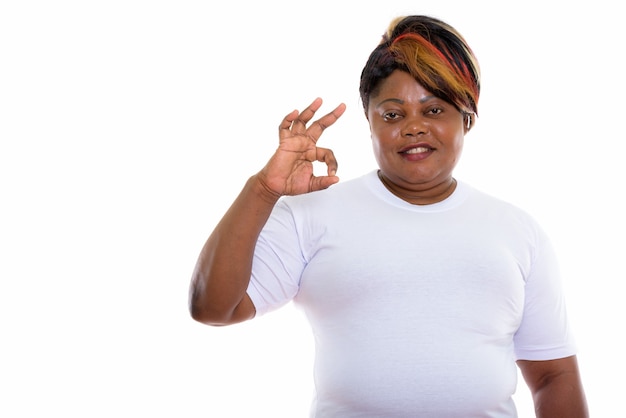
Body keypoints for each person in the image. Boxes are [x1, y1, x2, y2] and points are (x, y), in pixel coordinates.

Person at [189, 15, 588, 417]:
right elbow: (212, 308)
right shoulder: (312, 215)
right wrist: (263, 189)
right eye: (393, 114)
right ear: (370, 123)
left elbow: (555, 376)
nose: (414, 127)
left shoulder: (517, 232)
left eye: (434, 110)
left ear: (465, 118)